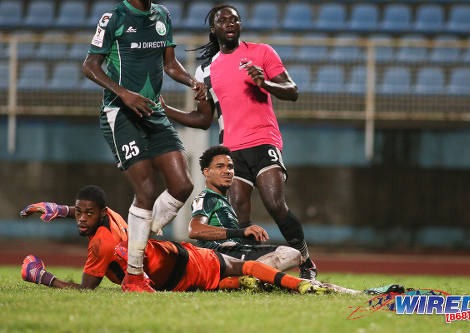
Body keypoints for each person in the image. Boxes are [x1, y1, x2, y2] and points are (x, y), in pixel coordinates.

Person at [162, 5, 317, 279]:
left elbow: (292, 91)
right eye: (223, 20)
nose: (230, 23)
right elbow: (203, 119)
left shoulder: (262, 52)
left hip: (264, 139)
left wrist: (265, 84)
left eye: (235, 19)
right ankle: (249, 270)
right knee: (239, 216)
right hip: (232, 150)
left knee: (275, 203)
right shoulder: (205, 71)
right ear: (214, 29)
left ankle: (306, 262)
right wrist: (167, 111)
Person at [19, 185, 366, 295]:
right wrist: (58, 208)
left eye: (85, 214)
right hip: (190, 261)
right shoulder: (111, 217)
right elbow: (87, 209)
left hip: (187, 269)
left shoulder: (101, 244)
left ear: (100, 213)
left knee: (253, 268)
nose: (80, 217)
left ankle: (311, 286)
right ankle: (316, 286)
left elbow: (85, 291)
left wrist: (41, 276)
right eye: (77, 213)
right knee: (245, 274)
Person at [82, 0, 206, 292]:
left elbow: (170, 63)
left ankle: (130, 245)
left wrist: (191, 81)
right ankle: (134, 275)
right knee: (147, 190)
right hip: (120, 111)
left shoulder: (162, 14)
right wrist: (124, 94)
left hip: (153, 112)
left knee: (182, 185)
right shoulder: (114, 17)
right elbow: (90, 65)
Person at [189, 146, 302, 272]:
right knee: (289, 254)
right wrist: (241, 232)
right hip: (220, 254)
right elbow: (195, 230)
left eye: (230, 167)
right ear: (206, 171)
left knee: (290, 254)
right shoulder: (207, 198)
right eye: (220, 166)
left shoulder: (223, 201)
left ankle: (241, 278)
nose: (227, 171)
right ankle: (246, 275)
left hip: (231, 253)